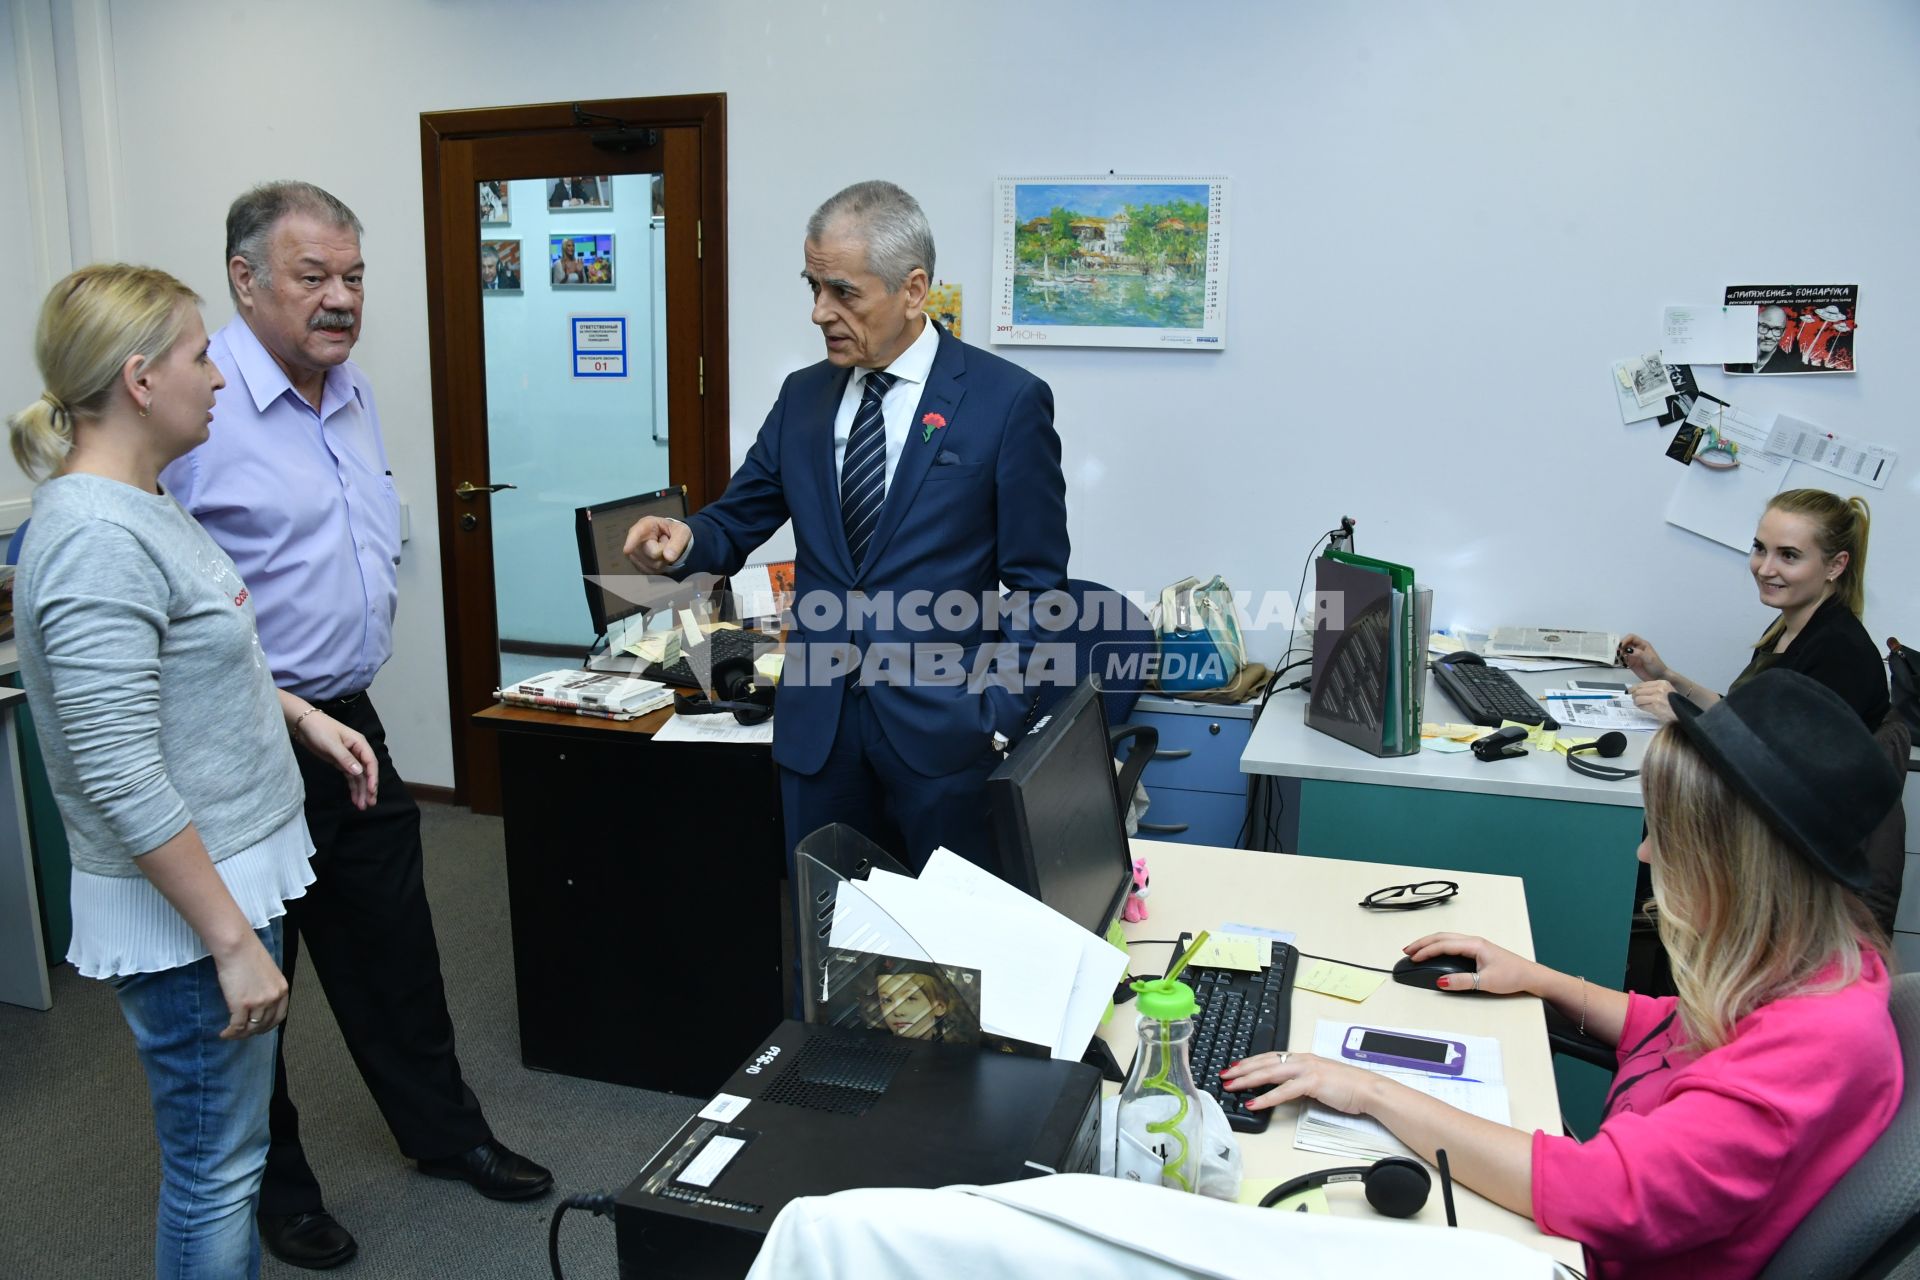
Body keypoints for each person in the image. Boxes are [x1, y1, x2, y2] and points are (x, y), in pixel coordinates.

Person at [159, 181, 550, 1272]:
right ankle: (276, 1190)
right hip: (240, 733)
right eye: (313, 276)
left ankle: (448, 1133)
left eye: (354, 277)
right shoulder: (196, 405)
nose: (341, 299)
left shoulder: (350, 390)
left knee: (396, 950)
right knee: (253, 975)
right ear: (246, 281)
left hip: (350, 721)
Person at [1224, 669, 1903, 1280]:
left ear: (1738, 867)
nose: (1644, 852)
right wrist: (1541, 979)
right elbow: (1682, 1032)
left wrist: (1372, 1091)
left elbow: (1600, 1192)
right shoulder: (1825, 965)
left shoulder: (1814, 1050)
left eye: (1664, 836)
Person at [8, 264, 375, 1279]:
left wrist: (299, 714)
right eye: (201, 354)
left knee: (232, 1153)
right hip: (190, 909)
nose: (218, 377)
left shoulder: (143, 503)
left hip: (224, 876)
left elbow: (199, 659)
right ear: (139, 378)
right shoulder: (91, 539)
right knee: (218, 1171)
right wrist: (232, 942)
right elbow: (118, 767)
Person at [622, 180, 1069, 871]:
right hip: (818, 734)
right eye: (812, 287)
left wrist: (1002, 706)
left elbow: (1039, 584)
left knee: (945, 950)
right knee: (825, 935)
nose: (818, 312)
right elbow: (737, 518)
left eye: (842, 293)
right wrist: (686, 540)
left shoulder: (1005, 402)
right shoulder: (804, 397)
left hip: (944, 736)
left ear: (914, 290)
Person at [1620, 488, 1886, 728]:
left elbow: (1782, 763)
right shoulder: (1786, 628)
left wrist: (1683, 717)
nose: (1765, 569)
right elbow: (1741, 717)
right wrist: (1668, 677)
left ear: (1835, 565)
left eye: (1789, 555)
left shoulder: (1841, 652)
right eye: (1760, 549)